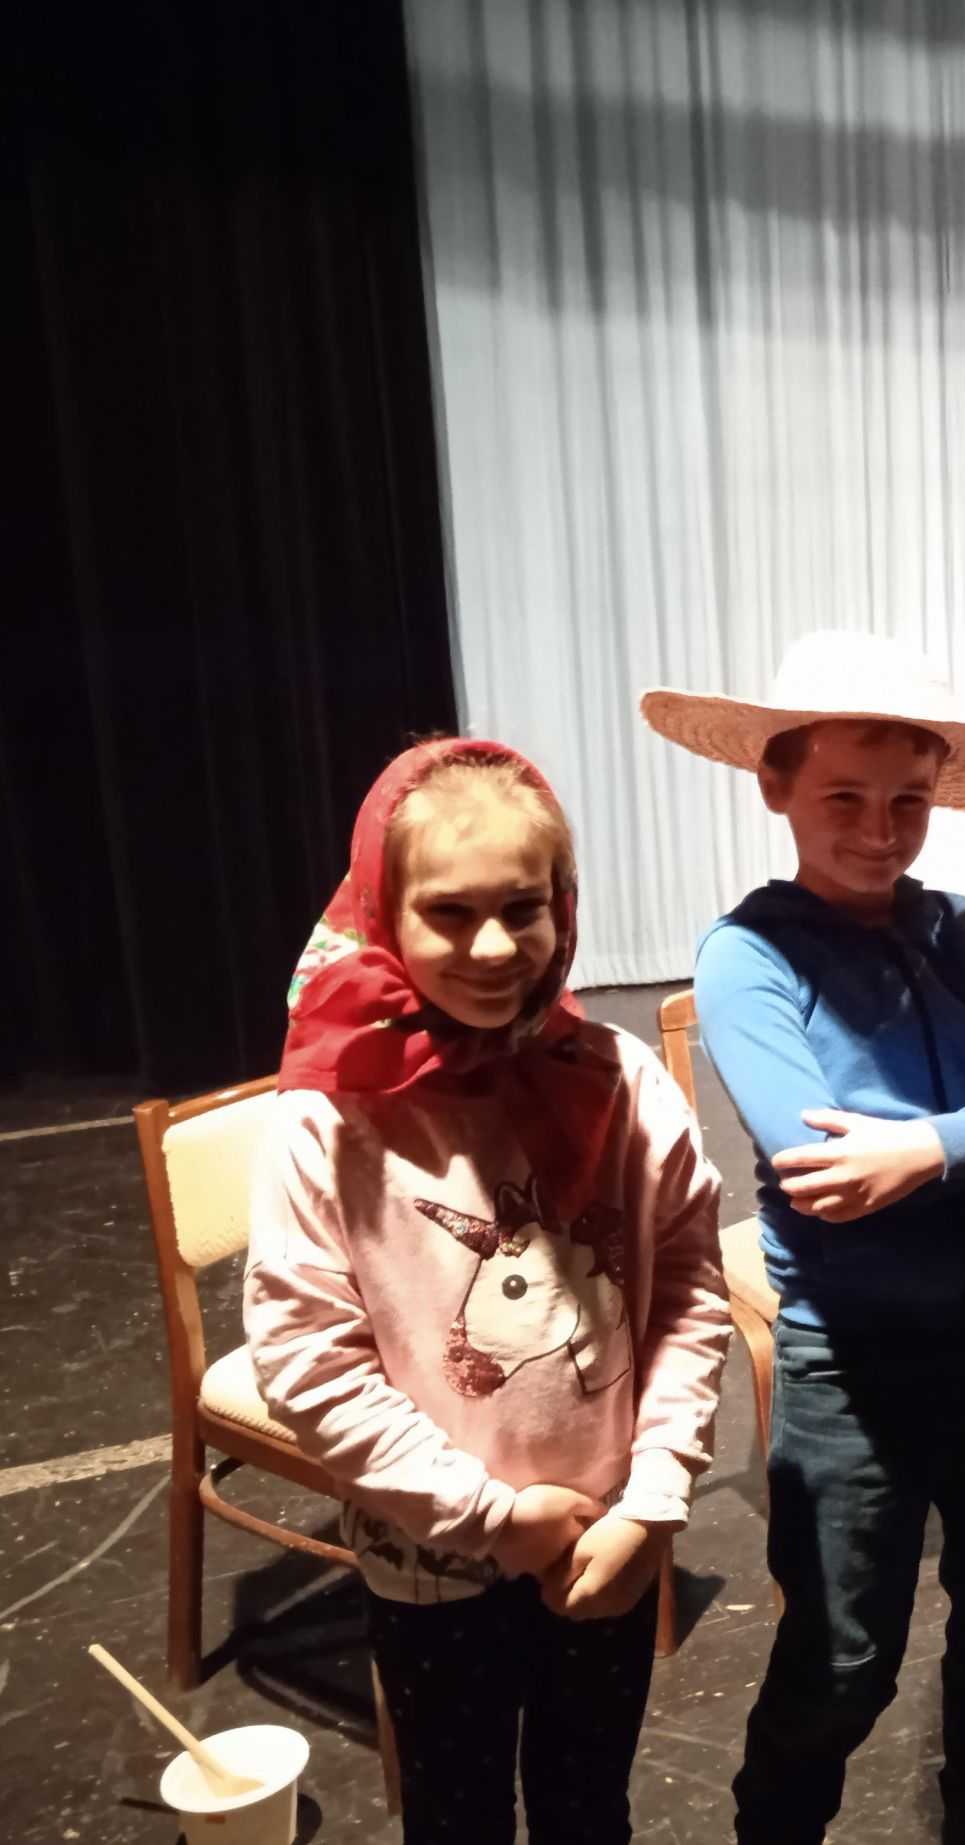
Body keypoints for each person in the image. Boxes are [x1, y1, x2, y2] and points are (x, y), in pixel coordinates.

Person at [641, 635, 965, 1845]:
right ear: (777, 787)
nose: (879, 830)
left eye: (908, 801)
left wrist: (926, 1149)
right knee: (844, 1657)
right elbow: (825, 1172)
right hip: (855, 1355)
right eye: (843, 798)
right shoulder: (749, 953)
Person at [246, 738, 732, 1844]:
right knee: (455, 1814)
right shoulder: (331, 1116)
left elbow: (688, 1293)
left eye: (524, 908)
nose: (496, 946)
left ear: (564, 903)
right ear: (384, 914)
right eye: (449, 913)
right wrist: (492, 1518)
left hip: (607, 1529)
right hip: (435, 1564)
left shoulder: (620, 1081)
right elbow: (309, 1363)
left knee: (588, 1806)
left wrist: (657, 1490)